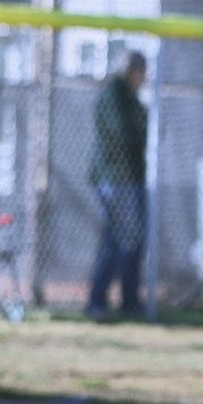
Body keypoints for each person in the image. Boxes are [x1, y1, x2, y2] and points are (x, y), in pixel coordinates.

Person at [86, 50, 147, 319]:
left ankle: (130, 301)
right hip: (114, 180)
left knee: (133, 243)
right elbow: (124, 135)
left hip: (132, 179)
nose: (143, 79)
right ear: (132, 72)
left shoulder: (132, 99)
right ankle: (96, 301)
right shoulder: (113, 96)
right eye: (141, 73)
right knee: (115, 241)